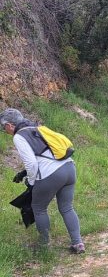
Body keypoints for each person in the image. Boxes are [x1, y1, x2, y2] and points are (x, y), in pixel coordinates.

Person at [1, 108, 85, 253]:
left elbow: (32, 163)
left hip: (52, 174)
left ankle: (43, 245)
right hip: (69, 167)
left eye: (3, 128)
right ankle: (78, 243)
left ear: (9, 125)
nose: (4, 131)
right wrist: (24, 173)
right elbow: (44, 154)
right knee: (66, 207)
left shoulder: (19, 136)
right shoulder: (37, 128)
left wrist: (32, 183)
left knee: (38, 208)